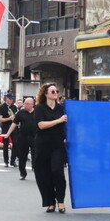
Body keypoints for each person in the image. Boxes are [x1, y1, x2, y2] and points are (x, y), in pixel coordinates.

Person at [34, 83, 67, 213]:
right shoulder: (40, 108)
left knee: (57, 171)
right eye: (52, 91)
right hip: (43, 145)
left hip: (57, 145)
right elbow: (41, 125)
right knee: (44, 174)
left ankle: (61, 201)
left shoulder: (62, 108)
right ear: (46, 94)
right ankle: (50, 202)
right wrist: (58, 121)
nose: (55, 93)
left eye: (56, 91)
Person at [2, 97, 36, 180]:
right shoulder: (21, 113)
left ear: (32, 104)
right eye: (25, 103)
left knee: (36, 155)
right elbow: (14, 124)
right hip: (23, 137)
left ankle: (35, 167)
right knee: (22, 156)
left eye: (27, 104)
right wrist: (8, 134)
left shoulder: (37, 113)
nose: (25, 105)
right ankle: (22, 173)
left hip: (34, 137)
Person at [0, 93, 18, 167]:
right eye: (10, 98)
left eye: (12, 99)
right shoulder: (2, 107)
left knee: (15, 143)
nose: (11, 100)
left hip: (13, 126)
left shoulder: (14, 107)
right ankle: (6, 161)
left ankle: (13, 161)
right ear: (6, 98)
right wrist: (9, 118)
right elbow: (0, 119)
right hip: (5, 126)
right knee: (5, 144)